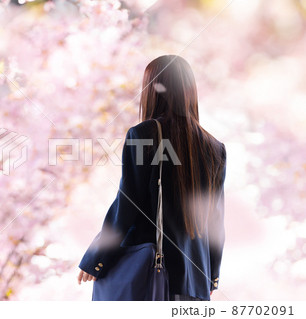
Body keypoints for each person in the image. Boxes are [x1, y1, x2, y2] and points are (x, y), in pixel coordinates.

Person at [77, 55, 227, 301]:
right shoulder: (215, 147)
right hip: (194, 282)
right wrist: (212, 276)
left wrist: (96, 258)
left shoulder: (144, 134)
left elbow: (128, 203)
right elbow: (215, 221)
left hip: (151, 274)